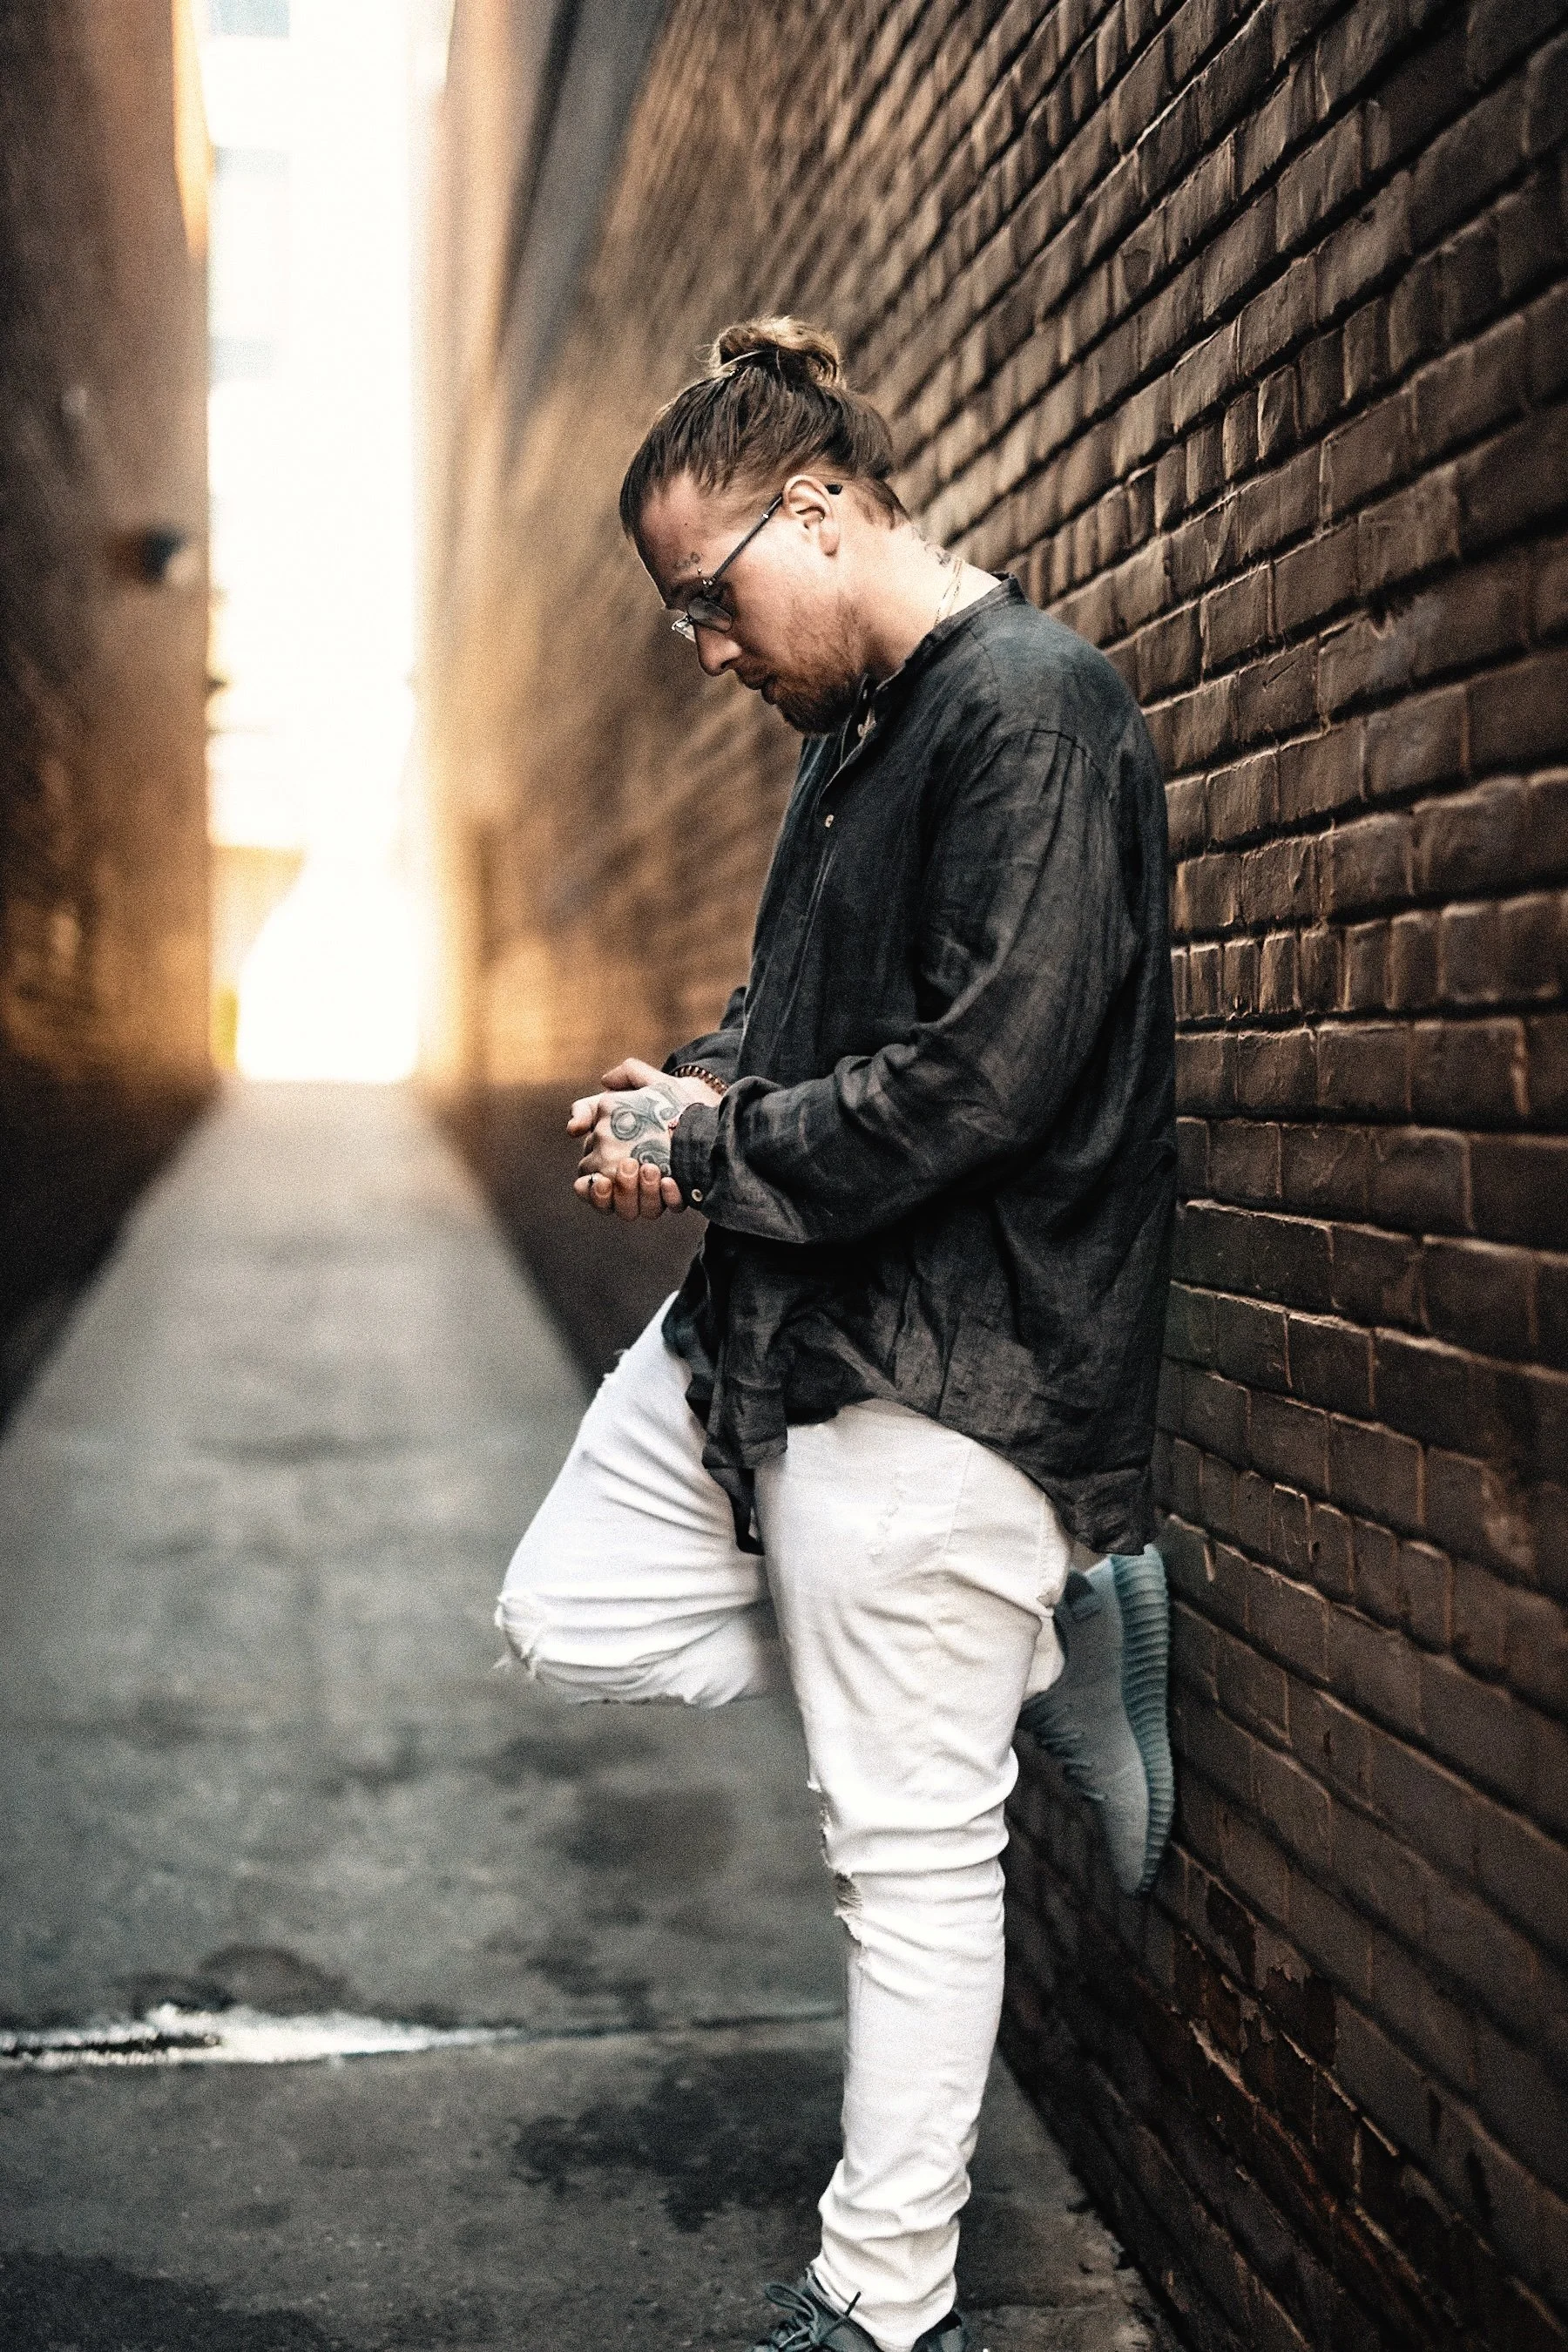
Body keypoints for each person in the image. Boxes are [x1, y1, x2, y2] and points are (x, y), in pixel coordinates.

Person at [497, 317, 1177, 2352]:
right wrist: (686, 1105)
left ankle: (885, 2305)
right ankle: (1047, 1622)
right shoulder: (856, 738)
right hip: (783, 1327)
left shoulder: (1031, 714)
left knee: (905, 1850)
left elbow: (987, 1077)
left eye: (708, 599)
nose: (702, 649)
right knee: (570, 1605)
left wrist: (728, 1143)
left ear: (817, 508)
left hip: (952, 1371)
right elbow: (805, 1027)